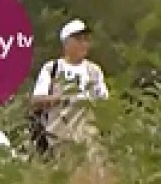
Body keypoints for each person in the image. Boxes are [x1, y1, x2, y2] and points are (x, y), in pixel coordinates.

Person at [30, 19, 109, 158]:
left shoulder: (94, 71)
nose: (84, 44)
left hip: (89, 138)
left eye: (86, 40)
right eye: (78, 40)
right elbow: (35, 101)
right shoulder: (52, 68)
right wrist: (58, 98)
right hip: (59, 137)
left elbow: (104, 101)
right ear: (66, 43)